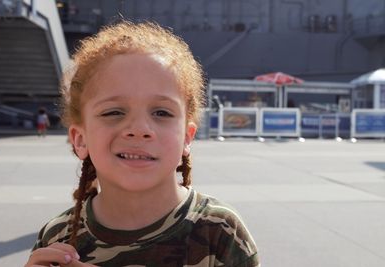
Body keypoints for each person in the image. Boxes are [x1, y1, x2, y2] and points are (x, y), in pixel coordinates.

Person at [25, 21, 260, 267]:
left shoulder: (221, 231)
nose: (139, 130)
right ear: (80, 140)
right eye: (113, 112)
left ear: (186, 137)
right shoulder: (58, 238)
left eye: (161, 113)